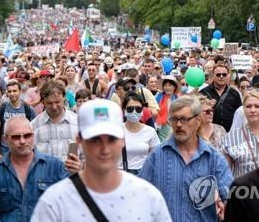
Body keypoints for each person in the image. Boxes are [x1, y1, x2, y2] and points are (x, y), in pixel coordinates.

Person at [31, 98, 172, 222]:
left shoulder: (149, 196)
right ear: (79, 141)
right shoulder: (54, 202)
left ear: (123, 140)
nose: (105, 149)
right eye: (95, 140)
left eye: (112, 139)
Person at [139, 95, 233, 222]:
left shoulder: (213, 158)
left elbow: (230, 197)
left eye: (184, 119)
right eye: (174, 119)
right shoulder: (157, 157)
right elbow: (140, 196)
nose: (178, 125)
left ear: (198, 120)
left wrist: (224, 206)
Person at [0, 117, 68, 221]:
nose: (22, 141)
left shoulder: (55, 167)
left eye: (27, 135)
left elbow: (71, 206)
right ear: (5, 139)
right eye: (16, 137)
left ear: (33, 136)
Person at [221, 89, 259, 177]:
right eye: (248, 106)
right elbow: (223, 172)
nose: (252, 110)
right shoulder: (231, 137)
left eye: (257, 106)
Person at [31, 80, 78, 161]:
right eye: (49, 103)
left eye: (57, 102)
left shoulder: (77, 122)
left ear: (64, 98)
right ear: (43, 102)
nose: (54, 107)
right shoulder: (34, 125)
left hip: (72, 172)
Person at [0, 79, 35, 161]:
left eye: (14, 91)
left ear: (20, 91)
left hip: (23, 149)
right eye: (9, 91)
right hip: (5, 150)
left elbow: (34, 130)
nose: (12, 94)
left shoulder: (28, 109)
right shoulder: (2, 108)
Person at [120, 92, 160, 174]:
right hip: (121, 174)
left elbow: (157, 155)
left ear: (142, 110)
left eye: (138, 109)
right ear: (124, 109)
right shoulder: (117, 130)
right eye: (130, 109)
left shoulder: (150, 131)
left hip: (143, 174)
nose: (134, 112)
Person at [199, 64, 242, 131]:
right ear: (213, 75)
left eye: (224, 74)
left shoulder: (234, 93)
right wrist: (207, 106)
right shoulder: (203, 92)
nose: (221, 77)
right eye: (218, 75)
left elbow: (240, 113)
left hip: (230, 132)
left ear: (228, 76)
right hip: (210, 132)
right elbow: (197, 113)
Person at [155, 75, 180, 141]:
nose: (167, 87)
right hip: (162, 126)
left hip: (175, 126)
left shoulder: (178, 99)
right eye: (165, 85)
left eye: (169, 85)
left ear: (174, 87)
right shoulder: (159, 97)